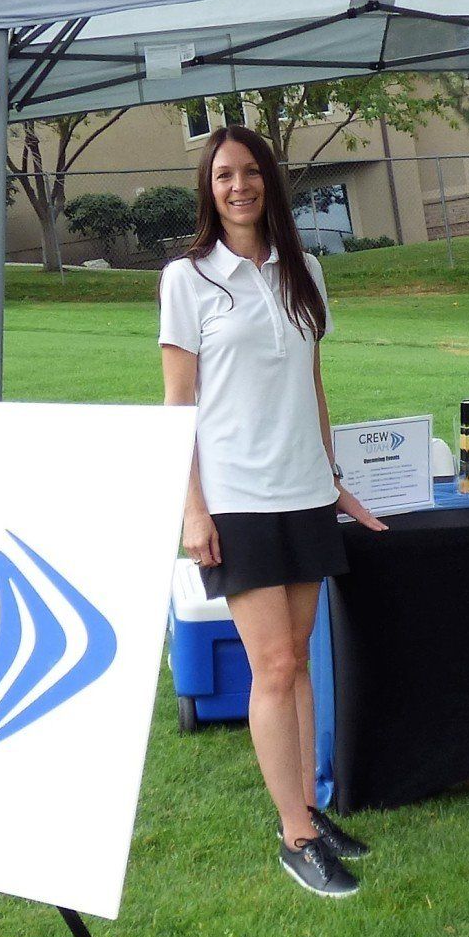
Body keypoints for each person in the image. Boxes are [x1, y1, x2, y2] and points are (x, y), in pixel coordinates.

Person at [160, 126, 387, 897]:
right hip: (237, 499)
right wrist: (193, 510)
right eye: (224, 174)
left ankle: (309, 810)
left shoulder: (305, 270)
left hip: (304, 491)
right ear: (209, 187)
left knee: (299, 660)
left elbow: (310, 386)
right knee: (275, 666)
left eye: (251, 172)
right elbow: (177, 406)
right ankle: (295, 836)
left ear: (270, 181)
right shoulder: (187, 279)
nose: (239, 186)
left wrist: (333, 479)